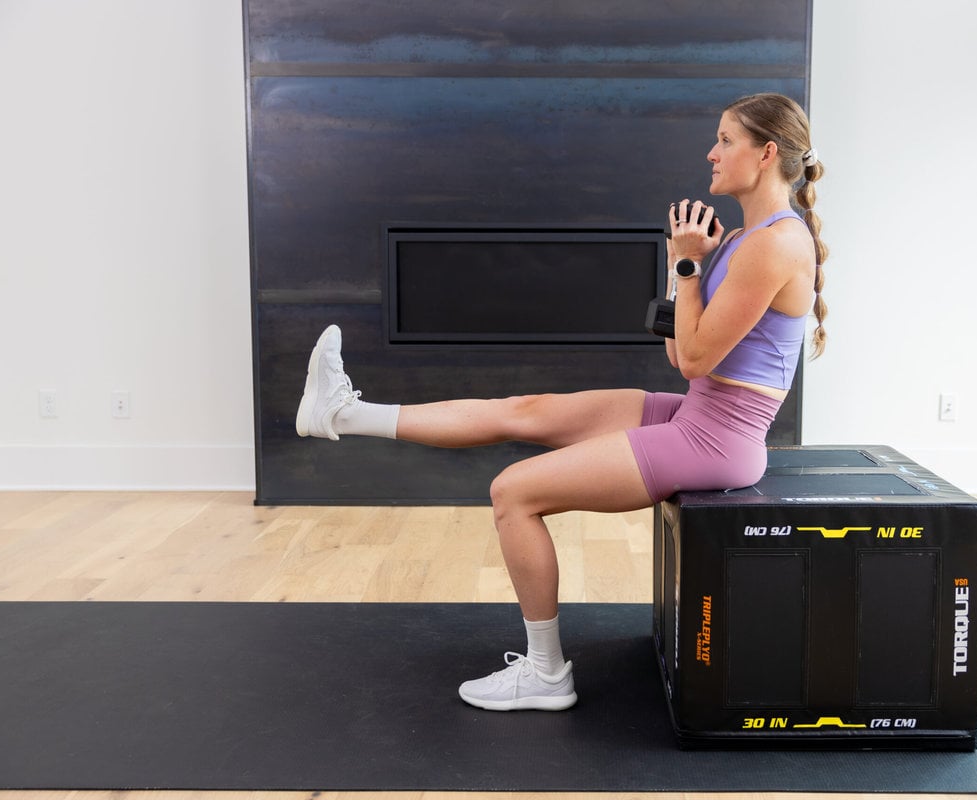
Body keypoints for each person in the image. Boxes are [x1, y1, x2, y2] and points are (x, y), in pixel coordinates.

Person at [295, 92, 827, 712]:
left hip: (719, 439)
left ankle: (546, 674)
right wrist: (681, 267)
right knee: (526, 410)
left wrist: (685, 266)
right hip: (696, 412)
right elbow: (682, 357)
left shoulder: (777, 244)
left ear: (766, 154)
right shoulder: (745, 237)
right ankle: (341, 413)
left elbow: (697, 359)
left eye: (726, 140)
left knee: (512, 492)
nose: (712, 152)